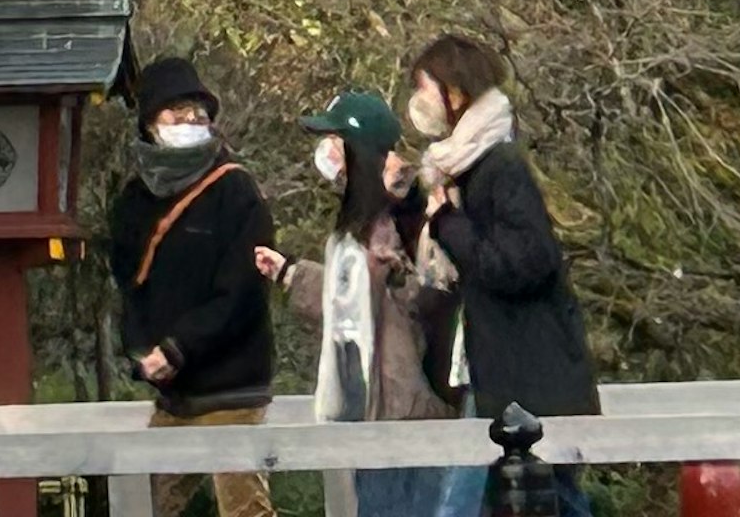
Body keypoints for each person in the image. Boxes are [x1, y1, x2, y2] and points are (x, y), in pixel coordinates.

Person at [403, 39, 592, 515]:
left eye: (424, 88)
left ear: (455, 92)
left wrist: (447, 223)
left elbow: (523, 262)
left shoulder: (498, 169)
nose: (418, 102)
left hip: (525, 382)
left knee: (493, 502)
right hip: (494, 378)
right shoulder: (465, 170)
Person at [266, 90, 464, 517]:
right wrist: (290, 274)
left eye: (336, 142)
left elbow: (414, 303)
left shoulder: (401, 219)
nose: (328, 155)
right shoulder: (367, 219)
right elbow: (349, 302)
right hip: (380, 410)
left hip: (404, 410)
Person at [112, 52, 278, 517]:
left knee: (244, 508)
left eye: (198, 112)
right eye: (176, 111)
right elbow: (130, 285)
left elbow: (243, 291)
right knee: (151, 503)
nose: (190, 120)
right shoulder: (133, 201)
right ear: (149, 122)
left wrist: (179, 347)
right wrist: (143, 350)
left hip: (233, 387)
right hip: (173, 393)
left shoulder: (235, 191)